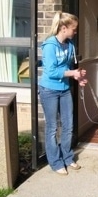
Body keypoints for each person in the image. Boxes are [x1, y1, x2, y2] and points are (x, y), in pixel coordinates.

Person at [38, 11, 87, 175]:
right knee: (52, 128)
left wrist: (78, 77)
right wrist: (71, 74)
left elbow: (68, 68)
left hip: (65, 90)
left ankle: (67, 157)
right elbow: (51, 71)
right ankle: (55, 162)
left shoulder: (70, 45)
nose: (75, 32)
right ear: (64, 28)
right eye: (74, 29)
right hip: (49, 90)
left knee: (68, 126)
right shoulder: (50, 45)